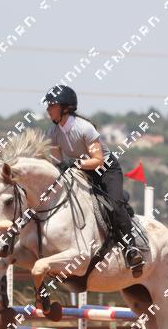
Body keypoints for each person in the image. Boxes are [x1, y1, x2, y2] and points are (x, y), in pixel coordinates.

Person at [42, 85, 145, 274]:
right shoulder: (52, 133)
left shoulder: (84, 128)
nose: (48, 109)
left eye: (52, 105)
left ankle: (131, 249)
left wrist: (74, 163)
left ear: (64, 108)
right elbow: (59, 164)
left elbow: (98, 160)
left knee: (114, 205)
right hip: (81, 171)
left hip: (106, 170)